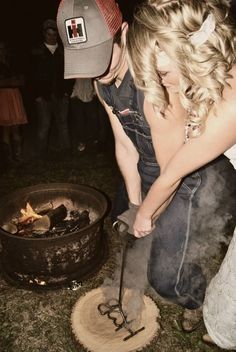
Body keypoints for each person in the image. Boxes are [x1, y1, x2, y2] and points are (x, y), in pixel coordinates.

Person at [57, 0, 236, 332]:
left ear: (123, 34)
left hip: (185, 174)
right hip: (156, 168)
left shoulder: (155, 84)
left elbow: (172, 172)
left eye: (100, 56)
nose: (95, 72)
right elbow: (125, 146)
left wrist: (146, 215)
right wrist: (136, 202)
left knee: (165, 273)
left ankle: (192, 298)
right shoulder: (102, 83)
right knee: (130, 225)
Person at [125, 0, 236, 332]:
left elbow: (172, 173)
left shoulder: (231, 101)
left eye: (162, 73)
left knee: (223, 315)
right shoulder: (221, 68)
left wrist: (144, 216)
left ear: (190, 48)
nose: (161, 84)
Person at [29, 19, 72, 158]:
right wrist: (37, 95)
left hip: (61, 95)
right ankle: (40, 156)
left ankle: (66, 154)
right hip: (44, 96)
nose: (52, 37)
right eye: (49, 34)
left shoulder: (63, 52)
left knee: (63, 125)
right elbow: (31, 76)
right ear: (44, 34)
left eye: (54, 34)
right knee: (44, 126)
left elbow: (70, 72)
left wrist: (67, 92)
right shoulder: (36, 52)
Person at [0, 41, 28, 165]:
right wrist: (10, 81)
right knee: (6, 128)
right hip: (3, 96)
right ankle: (8, 158)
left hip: (15, 95)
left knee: (16, 127)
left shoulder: (13, 63)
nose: (2, 51)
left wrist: (10, 81)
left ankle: (18, 156)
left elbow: (22, 80)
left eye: (4, 48)